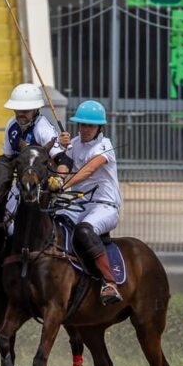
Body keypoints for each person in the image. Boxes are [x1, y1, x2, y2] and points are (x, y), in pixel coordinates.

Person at [0, 83, 73, 239]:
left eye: (25, 111)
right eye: (17, 110)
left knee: (11, 229)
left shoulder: (42, 128)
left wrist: (59, 179)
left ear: (35, 110)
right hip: (19, 185)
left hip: (39, 189)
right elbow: (8, 158)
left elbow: (64, 160)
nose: (20, 114)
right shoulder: (12, 125)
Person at [57, 100, 124, 305]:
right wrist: (57, 176)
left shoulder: (105, 145)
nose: (85, 129)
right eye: (82, 124)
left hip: (105, 206)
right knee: (54, 221)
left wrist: (62, 185)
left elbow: (88, 170)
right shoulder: (74, 144)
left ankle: (109, 282)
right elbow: (64, 165)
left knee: (84, 231)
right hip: (79, 206)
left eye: (90, 125)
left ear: (99, 127)